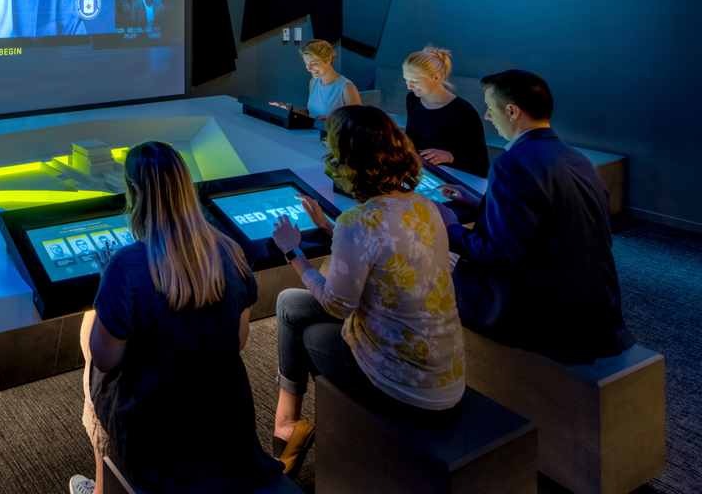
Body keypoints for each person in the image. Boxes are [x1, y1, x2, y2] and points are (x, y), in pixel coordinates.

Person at [70, 142, 281, 494]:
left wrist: (105, 291)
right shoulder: (231, 251)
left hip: (157, 438)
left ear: (136, 191)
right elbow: (238, 341)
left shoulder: (126, 266)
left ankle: (102, 488)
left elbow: (105, 361)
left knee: (90, 346)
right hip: (225, 415)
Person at [270, 105, 465, 476]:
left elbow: (336, 305)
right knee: (289, 302)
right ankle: (288, 426)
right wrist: (330, 229)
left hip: (405, 386)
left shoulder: (359, 222)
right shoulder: (431, 208)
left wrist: (293, 252)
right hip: (446, 373)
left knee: (306, 331)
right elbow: (390, 250)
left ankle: (286, 428)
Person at [438, 70, 634, 363]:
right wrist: (480, 203)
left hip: (542, 318)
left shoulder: (512, 165)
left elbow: (502, 256)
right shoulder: (576, 158)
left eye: (490, 108)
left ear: (512, 111)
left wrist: (449, 229)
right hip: (597, 312)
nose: (488, 116)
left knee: (433, 256)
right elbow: (546, 220)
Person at [403, 46, 490, 178]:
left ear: (436, 77)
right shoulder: (412, 99)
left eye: (415, 81)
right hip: (417, 172)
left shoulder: (464, 113)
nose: (409, 86)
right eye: (406, 79)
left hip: (447, 178)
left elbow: (482, 168)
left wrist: (449, 157)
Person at [271, 39, 361, 123]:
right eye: (306, 63)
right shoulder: (313, 82)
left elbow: (358, 124)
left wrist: (332, 121)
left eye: (313, 63)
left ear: (329, 59)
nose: (308, 68)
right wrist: (288, 108)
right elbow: (309, 113)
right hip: (313, 134)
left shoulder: (347, 88)